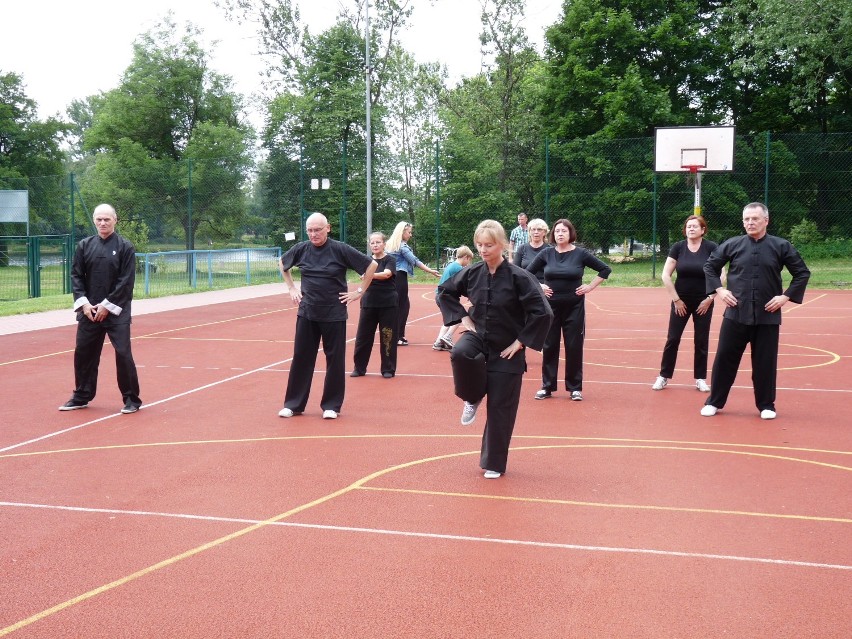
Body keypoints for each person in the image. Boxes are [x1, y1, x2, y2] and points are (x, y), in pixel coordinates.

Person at [436, 220, 552, 479]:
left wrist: (520, 342)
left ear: (501, 245)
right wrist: (463, 319)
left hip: (508, 348)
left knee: (501, 406)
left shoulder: (520, 277)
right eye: (479, 245)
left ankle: (494, 464)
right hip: (479, 338)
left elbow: (542, 312)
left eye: (489, 245)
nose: (483, 250)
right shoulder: (472, 273)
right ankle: (472, 396)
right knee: (460, 352)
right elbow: (444, 292)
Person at [701, 202, 810, 420]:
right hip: (735, 314)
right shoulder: (733, 244)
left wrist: (785, 296)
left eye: (755, 219)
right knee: (724, 359)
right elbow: (710, 266)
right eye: (746, 219)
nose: (750, 223)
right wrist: (720, 291)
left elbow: (802, 273)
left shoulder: (781, 246)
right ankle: (714, 401)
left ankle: (766, 405)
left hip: (767, 316)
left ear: (766, 220)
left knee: (765, 362)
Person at [278, 212, 378, 419]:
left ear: (328, 228)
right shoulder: (301, 249)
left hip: (334, 314)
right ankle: (293, 404)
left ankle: (331, 405)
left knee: (335, 360)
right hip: (307, 312)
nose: (313, 234)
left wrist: (359, 292)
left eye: (317, 230)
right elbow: (282, 263)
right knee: (301, 358)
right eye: (310, 230)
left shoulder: (340, 249)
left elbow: (372, 266)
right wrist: (291, 288)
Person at [59, 203, 142, 414]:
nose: (103, 223)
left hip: (116, 312)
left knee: (123, 354)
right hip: (89, 312)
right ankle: (81, 396)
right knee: (84, 354)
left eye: (107, 219)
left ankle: (131, 399)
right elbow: (76, 276)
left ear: (115, 220)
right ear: (94, 221)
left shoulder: (125, 246)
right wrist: (84, 303)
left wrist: (107, 305)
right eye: (99, 219)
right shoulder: (84, 245)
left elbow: (126, 281)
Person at [526, 218, 611, 401]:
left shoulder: (581, 254)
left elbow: (605, 269)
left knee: (574, 346)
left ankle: (575, 388)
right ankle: (547, 386)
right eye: (557, 231)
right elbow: (527, 273)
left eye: (564, 231)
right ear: (553, 235)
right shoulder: (546, 254)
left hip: (574, 307)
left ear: (570, 233)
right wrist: (540, 286)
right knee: (549, 346)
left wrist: (590, 287)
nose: (560, 234)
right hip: (551, 307)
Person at [652, 215, 722, 393]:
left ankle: (700, 378)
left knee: (701, 340)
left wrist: (711, 297)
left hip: (704, 302)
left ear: (703, 230)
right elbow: (665, 275)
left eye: (695, 226)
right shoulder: (678, 247)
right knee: (673, 339)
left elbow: (721, 274)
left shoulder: (711, 248)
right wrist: (676, 300)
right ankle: (663, 376)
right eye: (688, 226)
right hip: (680, 301)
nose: (691, 229)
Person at [351, 232, 399, 378]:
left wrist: (370, 275)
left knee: (388, 336)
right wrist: (367, 275)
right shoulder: (366, 261)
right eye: (372, 243)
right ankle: (359, 368)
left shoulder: (390, 259)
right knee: (363, 337)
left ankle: (388, 369)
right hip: (368, 303)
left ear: (384, 244)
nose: (375, 245)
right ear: (369, 245)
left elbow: (386, 274)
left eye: (378, 242)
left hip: (388, 304)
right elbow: (362, 275)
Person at [385, 221, 440, 346]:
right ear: (402, 232)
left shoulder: (389, 245)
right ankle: (398, 336)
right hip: (400, 277)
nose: (410, 235)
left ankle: (395, 335)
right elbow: (415, 261)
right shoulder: (402, 247)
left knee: (398, 305)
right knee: (402, 306)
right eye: (409, 232)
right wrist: (431, 271)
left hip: (391, 276)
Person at [432, 245, 474, 351]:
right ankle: (447, 336)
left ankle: (438, 343)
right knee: (460, 316)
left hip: (441, 295)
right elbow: (464, 284)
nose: (468, 263)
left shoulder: (451, 265)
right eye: (469, 260)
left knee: (449, 320)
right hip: (446, 296)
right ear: (465, 257)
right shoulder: (458, 268)